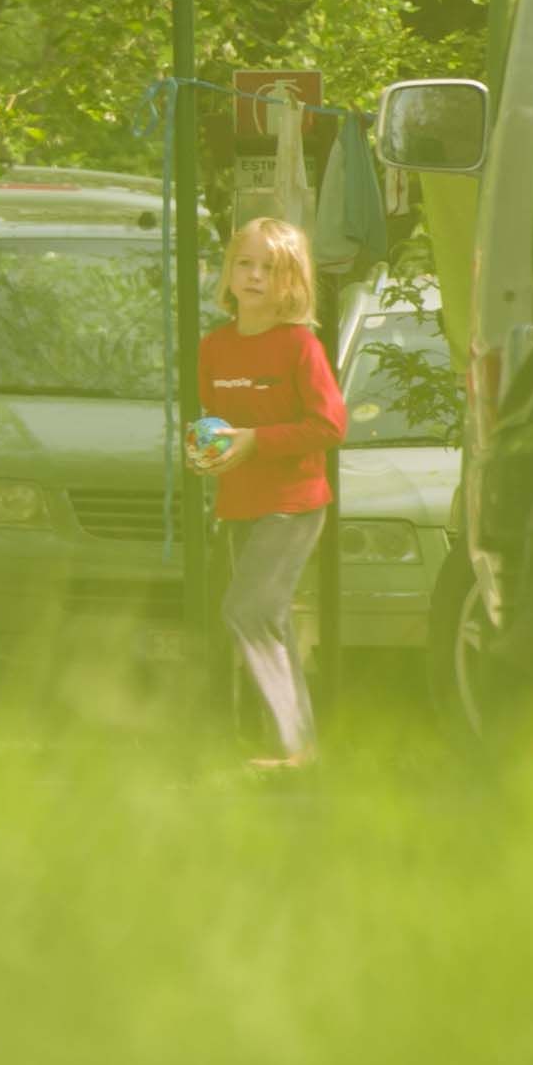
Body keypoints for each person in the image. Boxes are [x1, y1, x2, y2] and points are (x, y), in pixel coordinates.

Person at [188, 216, 347, 767]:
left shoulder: (300, 347)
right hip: (238, 505)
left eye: (269, 267)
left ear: (291, 282)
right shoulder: (214, 348)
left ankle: (292, 745)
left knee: (247, 610)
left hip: (294, 505)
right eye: (244, 263)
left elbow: (330, 427)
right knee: (268, 618)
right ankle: (301, 747)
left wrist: (258, 441)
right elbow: (215, 423)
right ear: (229, 274)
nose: (254, 276)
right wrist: (205, 453)